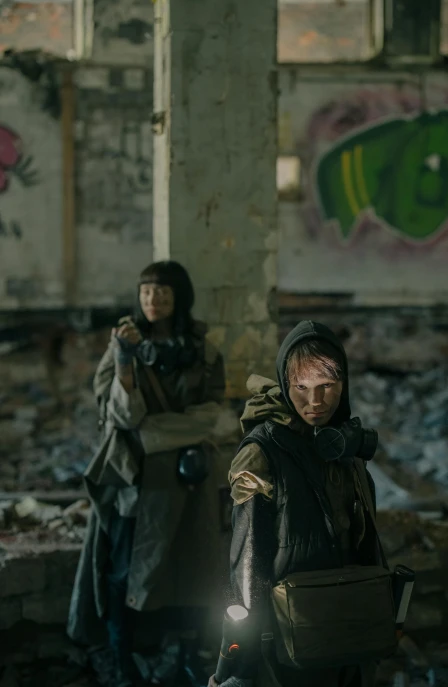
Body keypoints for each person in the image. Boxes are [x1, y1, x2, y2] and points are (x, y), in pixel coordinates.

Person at [68, 260, 227, 687]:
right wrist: (124, 365)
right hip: (135, 481)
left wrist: (151, 434)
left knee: (192, 569)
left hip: (186, 481)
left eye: (161, 293)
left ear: (179, 297)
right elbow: (121, 415)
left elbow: (208, 416)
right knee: (124, 571)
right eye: (145, 293)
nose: (152, 301)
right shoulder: (123, 342)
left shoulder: (203, 349)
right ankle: (123, 660)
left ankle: (189, 657)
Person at [209, 320, 383, 687]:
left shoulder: (345, 448)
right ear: (286, 385)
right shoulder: (261, 454)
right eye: (301, 388)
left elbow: (365, 542)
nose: (315, 402)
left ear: (343, 385)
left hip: (346, 625)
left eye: (327, 387)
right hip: (287, 638)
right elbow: (246, 563)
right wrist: (240, 654)